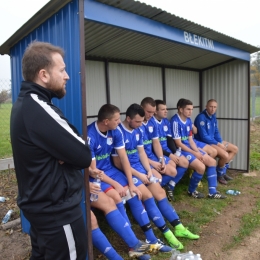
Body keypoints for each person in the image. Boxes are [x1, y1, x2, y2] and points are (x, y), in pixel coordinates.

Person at [10, 41, 92, 260]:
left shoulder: (27, 103)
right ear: (44, 75)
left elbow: (73, 152)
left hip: (43, 212)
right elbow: (84, 155)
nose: (67, 76)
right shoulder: (38, 107)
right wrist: (65, 155)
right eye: (62, 70)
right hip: (58, 216)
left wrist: (65, 155)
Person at [87, 104, 173, 253]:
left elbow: (123, 158)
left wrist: (131, 183)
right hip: (97, 176)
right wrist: (117, 184)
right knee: (118, 197)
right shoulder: (90, 135)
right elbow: (94, 171)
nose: (119, 122)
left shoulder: (114, 132)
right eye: (116, 119)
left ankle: (149, 239)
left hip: (111, 171)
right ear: (106, 121)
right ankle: (133, 243)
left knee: (135, 193)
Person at [113, 103, 199, 247]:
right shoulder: (118, 132)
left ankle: (178, 228)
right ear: (128, 119)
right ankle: (164, 234)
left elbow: (141, 153)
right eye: (138, 121)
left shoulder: (138, 130)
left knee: (160, 192)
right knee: (148, 196)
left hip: (139, 168)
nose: (141, 124)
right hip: (126, 172)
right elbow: (119, 163)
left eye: (142, 121)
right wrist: (140, 175)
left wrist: (147, 170)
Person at [170, 98, 226, 199]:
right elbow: (178, 143)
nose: (191, 112)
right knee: (201, 167)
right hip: (181, 150)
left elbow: (191, 140)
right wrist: (195, 153)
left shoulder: (188, 120)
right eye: (188, 109)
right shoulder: (175, 121)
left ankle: (212, 192)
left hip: (189, 148)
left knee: (212, 162)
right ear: (180, 109)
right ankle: (191, 191)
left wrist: (197, 151)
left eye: (191, 109)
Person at [89, 179, 151, 260]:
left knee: (109, 202)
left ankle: (134, 245)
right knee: (91, 219)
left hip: (80, 181)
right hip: (69, 187)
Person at [140, 97, 178, 201]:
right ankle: (151, 194)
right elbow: (136, 153)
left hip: (151, 156)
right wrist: (152, 163)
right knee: (158, 178)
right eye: (148, 112)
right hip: (141, 160)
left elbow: (156, 143)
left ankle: (157, 190)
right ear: (141, 108)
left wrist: (161, 160)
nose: (150, 115)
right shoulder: (136, 125)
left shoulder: (152, 122)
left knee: (173, 171)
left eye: (152, 112)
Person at [194, 99, 238, 185]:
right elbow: (204, 137)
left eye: (214, 107)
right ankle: (220, 174)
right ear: (206, 107)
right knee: (225, 155)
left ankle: (221, 171)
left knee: (234, 149)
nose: (212, 109)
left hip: (214, 141)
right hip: (206, 143)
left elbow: (216, 131)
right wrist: (218, 144)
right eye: (210, 106)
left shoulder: (213, 116)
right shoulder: (201, 118)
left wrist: (221, 142)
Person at [153, 99, 189, 199]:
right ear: (155, 111)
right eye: (163, 109)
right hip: (157, 153)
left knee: (184, 162)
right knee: (173, 165)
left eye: (166, 109)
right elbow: (153, 146)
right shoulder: (151, 123)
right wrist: (170, 155)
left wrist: (174, 152)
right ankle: (157, 189)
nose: (166, 111)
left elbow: (169, 139)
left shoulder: (165, 121)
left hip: (167, 151)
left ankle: (170, 185)